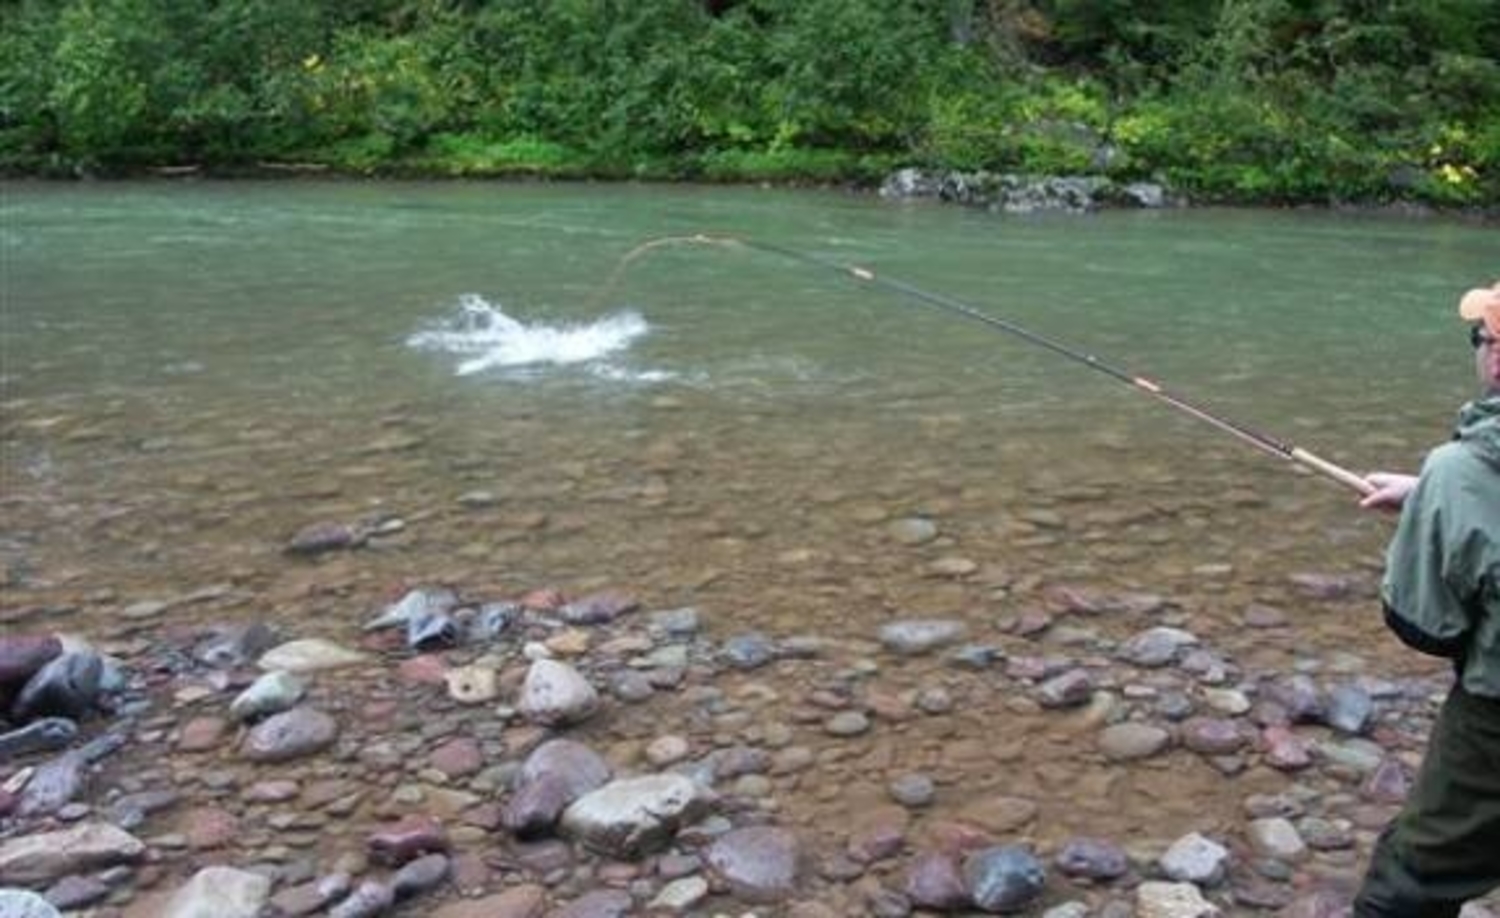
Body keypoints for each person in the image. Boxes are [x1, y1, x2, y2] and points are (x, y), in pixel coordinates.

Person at [1352, 281, 1500, 917]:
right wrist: (1434, 499)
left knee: (1409, 882)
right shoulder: (1457, 478)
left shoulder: (1460, 469)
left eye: (1481, 337)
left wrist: (1441, 508)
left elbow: (1425, 626)